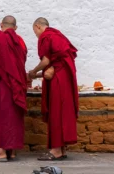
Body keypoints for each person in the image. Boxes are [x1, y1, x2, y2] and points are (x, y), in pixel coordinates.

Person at [28, 17, 79, 161]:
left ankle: (56, 150)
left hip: (58, 80)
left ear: (38, 26)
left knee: (56, 112)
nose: (36, 35)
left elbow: (46, 61)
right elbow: (55, 64)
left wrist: (33, 72)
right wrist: (37, 75)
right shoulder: (58, 35)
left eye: (35, 32)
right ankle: (61, 150)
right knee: (62, 111)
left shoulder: (46, 36)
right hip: (64, 77)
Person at [0, 16, 28, 162]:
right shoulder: (20, 41)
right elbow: (22, 59)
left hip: (5, 83)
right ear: (15, 28)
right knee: (13, 116)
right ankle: (12, 151)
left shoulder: (0, 38)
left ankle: (1, 152)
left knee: (2, 116)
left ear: (1, 24)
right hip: (19, 83)